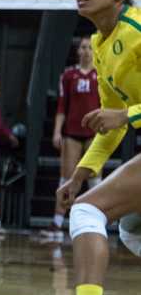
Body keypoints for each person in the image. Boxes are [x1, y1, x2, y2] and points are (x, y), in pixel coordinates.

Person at [19, 0, 141, 295]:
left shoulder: (138, 29)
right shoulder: (99, 43)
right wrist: (79, 175)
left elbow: (117, 118)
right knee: (130, 229)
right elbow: (106, 126)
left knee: (88, 213)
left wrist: (126, 115)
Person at [47, 37, 99, 236]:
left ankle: (97, 221)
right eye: (83, 47)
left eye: (89, 48)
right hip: (72, 132)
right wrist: (57, 131)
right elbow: (62, 106)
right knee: (66, 177)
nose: (86, 51)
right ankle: (57, 222)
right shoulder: (69, 75)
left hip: (94, 133)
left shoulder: (100, 74)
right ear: (78, 51)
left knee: (95, 177)